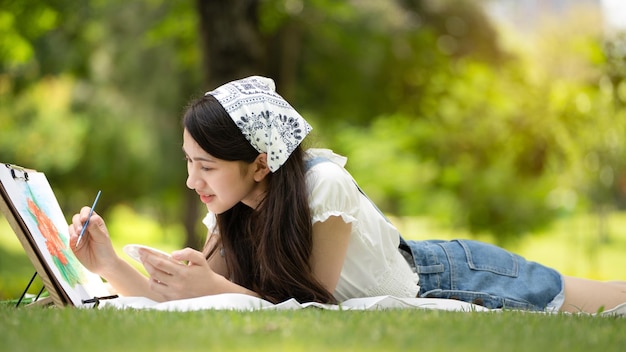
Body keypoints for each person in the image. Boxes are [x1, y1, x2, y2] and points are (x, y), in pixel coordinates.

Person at [69, 76, 626, 313]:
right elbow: (185, 303)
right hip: (431, 264)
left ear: (261, 163)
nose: (193, 183)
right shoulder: (232, 210)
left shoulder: (324, 186)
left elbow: (315, 307)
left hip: (455, 276)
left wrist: (211, 284)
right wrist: (110, 263)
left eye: (206, 166)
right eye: (189, 164)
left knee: (610, 300)